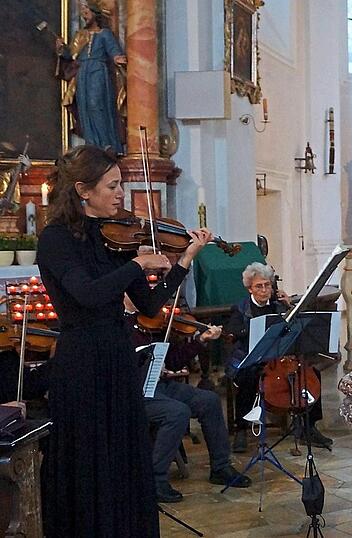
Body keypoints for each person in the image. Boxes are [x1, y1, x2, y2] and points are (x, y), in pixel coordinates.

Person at [37, 145, 212, 536]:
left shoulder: (117, 237)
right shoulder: (57, 239)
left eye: (121, 184)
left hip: (117, 357)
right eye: (113, 185)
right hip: (82, 360)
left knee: (122, 454)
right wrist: (136, 263)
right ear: (83, 190)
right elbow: (86, 294)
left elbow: (149, 305)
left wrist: (184, 260)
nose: (121, 193)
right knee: (90, 456)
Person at [124, 297, 251, 503]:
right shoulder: (117, 324)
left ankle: (220, 467)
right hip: (134, 391)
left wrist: (201, 340)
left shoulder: (154, 323)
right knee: (177, 412)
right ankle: (155, 479)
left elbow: (174, 362)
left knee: (209, 400)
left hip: (160, 384)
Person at [226, 262, 333, 453]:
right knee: (248, 376)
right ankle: (241, 428)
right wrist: (252, 329)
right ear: (250, 287)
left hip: (279, 357)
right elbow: (233, 332)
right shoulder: (241, 308)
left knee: (311, 373)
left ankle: (309, 426)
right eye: (259, 286)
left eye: (267, 285)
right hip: (251, 357)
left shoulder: (277, 305)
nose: (264, 290)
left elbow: (295, 328)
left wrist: (289, 306)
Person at [56, 0, 126, 153]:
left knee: (96, 105)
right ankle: (92, 144)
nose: (84, 17)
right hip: (83, 73)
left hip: (98, 72)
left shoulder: (104, 34)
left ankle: (105, 143)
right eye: (83, 14)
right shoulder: (80, 35)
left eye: (87, 13)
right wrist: (62, 49)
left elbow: (113, 51)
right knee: (85, 108)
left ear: (95, 14)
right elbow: (71, 55)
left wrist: (117, 58)